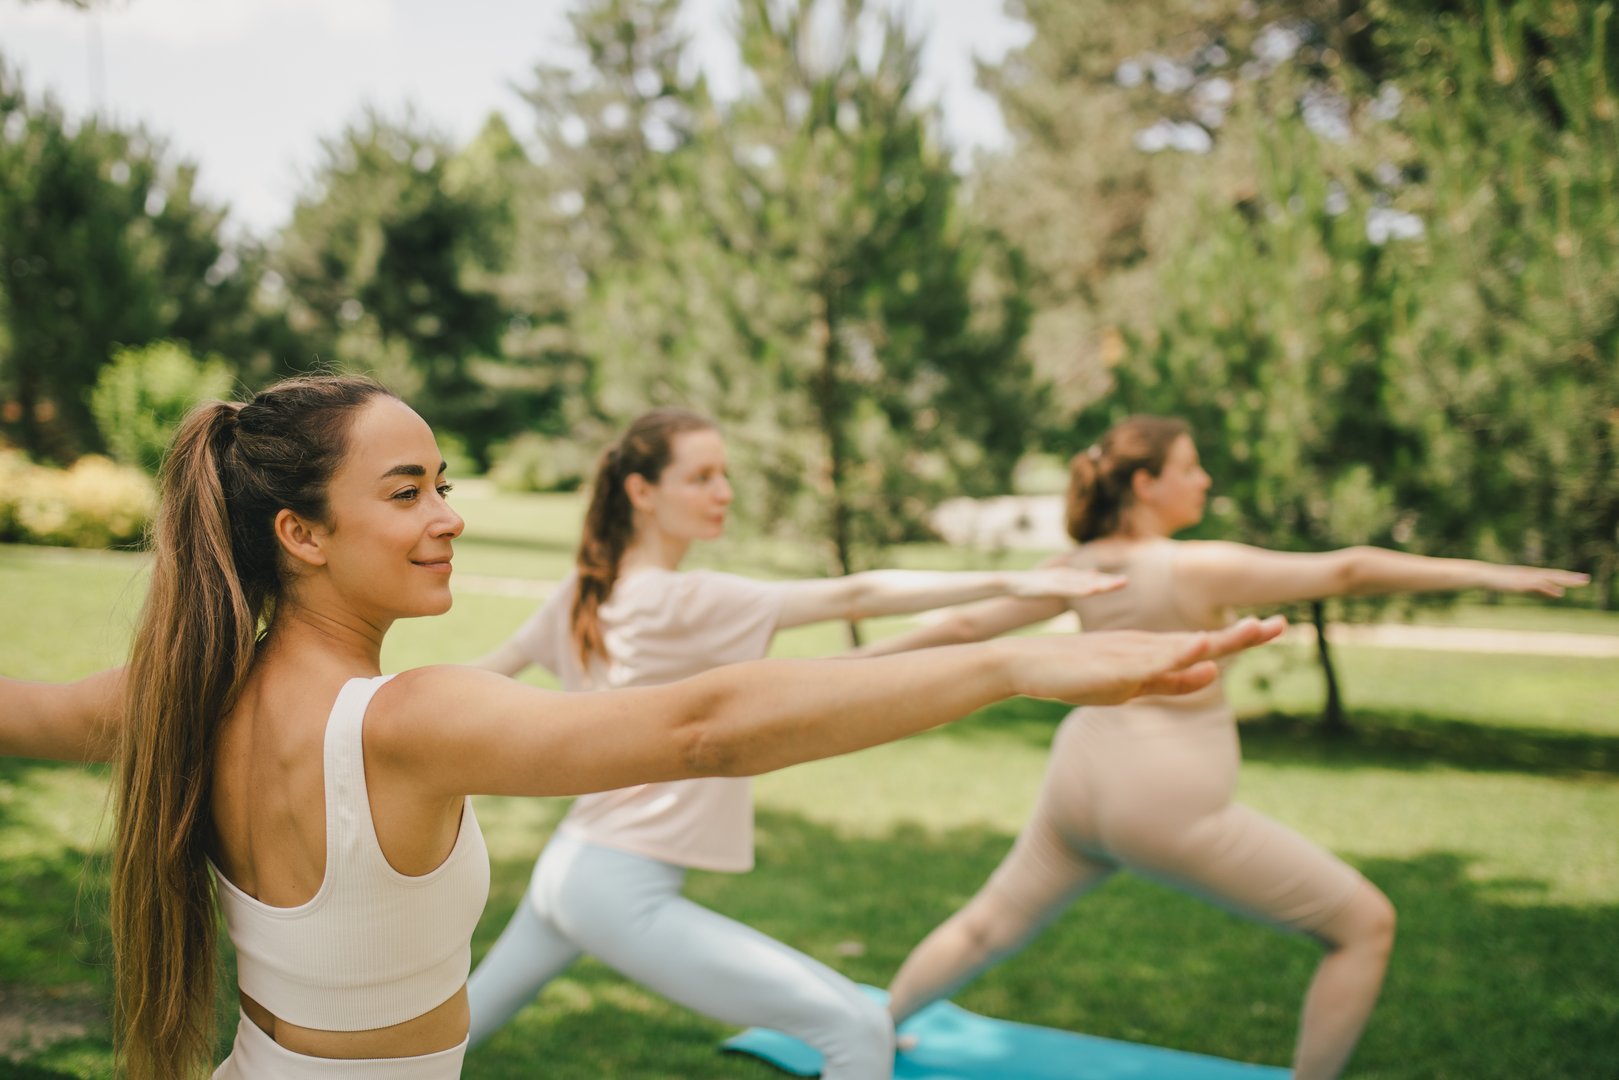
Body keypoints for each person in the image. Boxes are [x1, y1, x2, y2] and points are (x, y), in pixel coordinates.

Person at [0, 382, 1287, 1080]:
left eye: (444, 481)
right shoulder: (409, 719)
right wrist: (1013, 664)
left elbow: (25, 712)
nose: (447, 513)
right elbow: (705, 730)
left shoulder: (180, 690)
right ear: (300, 533)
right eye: (407, 491)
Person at [862, 415, 1588, 1080]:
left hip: (1081, 779)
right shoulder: (1192, 566)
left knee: (990, 924)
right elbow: (1344, 570)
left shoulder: (1078, 562)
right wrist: (1490, 573)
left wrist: (845, 670)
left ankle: (874, 1030)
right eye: (1190, 466)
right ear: (1145, 483)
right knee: (1364, 925)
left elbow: (962, 629)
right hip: (1159, 799)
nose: (1203, 479)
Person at [462, 407, 1126, 1076]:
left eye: (724, 474)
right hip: (615, 886)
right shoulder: (684, 598)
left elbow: (483, 677)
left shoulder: (586, 589)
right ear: (641, 491)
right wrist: (1013, 579)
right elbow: (855, 595)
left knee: (438, 1047)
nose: (722, 492)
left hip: (571, 867)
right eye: (699, 477)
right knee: (858, 1030)